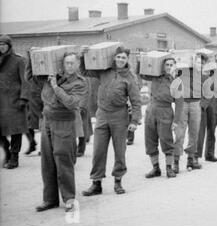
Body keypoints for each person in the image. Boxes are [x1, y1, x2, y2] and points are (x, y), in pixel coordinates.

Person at [25, 51, 88, 212]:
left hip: (64, 123)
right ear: (62, 63)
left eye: (72, 63)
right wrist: (31, 58)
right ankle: (50, 200)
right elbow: (31, 78)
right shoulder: (51, 75)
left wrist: (55, 86)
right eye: (67, 62)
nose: (69, 66)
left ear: (78, 64)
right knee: (47, 163)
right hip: (47, 121)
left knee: (63, 162)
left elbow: (71, 103)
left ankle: (69, 200)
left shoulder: (80, 83)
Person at [81, 46, 142, 196]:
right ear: (114, 58)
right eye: (118, 57)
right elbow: (84, 71)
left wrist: (134, 120)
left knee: (120, 151)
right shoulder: (104, 70)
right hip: (102, 114)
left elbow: (136, 101)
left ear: (128, 59)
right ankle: (96, 183)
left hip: (119, 116)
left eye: (124, 57)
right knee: (98, 150)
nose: (120, 60)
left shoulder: (130, 78)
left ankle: (118, 181)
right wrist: (83, 56)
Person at [140, 57, 183, 179]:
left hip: (165, 111)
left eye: (171, 65)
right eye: (167, 64)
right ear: (163, 66)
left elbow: (179, 103)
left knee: (166, 140)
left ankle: (169, 168)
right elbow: (142, 73)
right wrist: (141, 60)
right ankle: (155, 168)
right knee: (150, 139)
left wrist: (176, 121)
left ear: (175, 67)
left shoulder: (176, 82)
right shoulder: (155, 76)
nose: (169, 67)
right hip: (151, 110)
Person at [173, 53, 206, 173]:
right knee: (179, 133)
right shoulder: (181, 72)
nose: (196, 64)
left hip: (196, 104)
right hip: (182, 104)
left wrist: (202, 104)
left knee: (194, 133)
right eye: (194, 61)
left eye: (198, 62)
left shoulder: (202, 75)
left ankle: (190, 159)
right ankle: (175, 161)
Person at [0, 35, 29, 169]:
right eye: (0, 44)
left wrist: (23, 99)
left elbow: (25, 81)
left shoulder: (19, 61)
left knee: (16, 130)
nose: (2, 47)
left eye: (4, 44)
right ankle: (7, 149)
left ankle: (14, 157)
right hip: (1, 102)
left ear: (9, 46)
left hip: (14, 101)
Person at [196, 50, 217, 162]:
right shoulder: (208, 69)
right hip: (205, 100)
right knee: (200, 129)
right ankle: (195, 156)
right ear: (215, 58)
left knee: (212, 128)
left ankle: (209, 154)